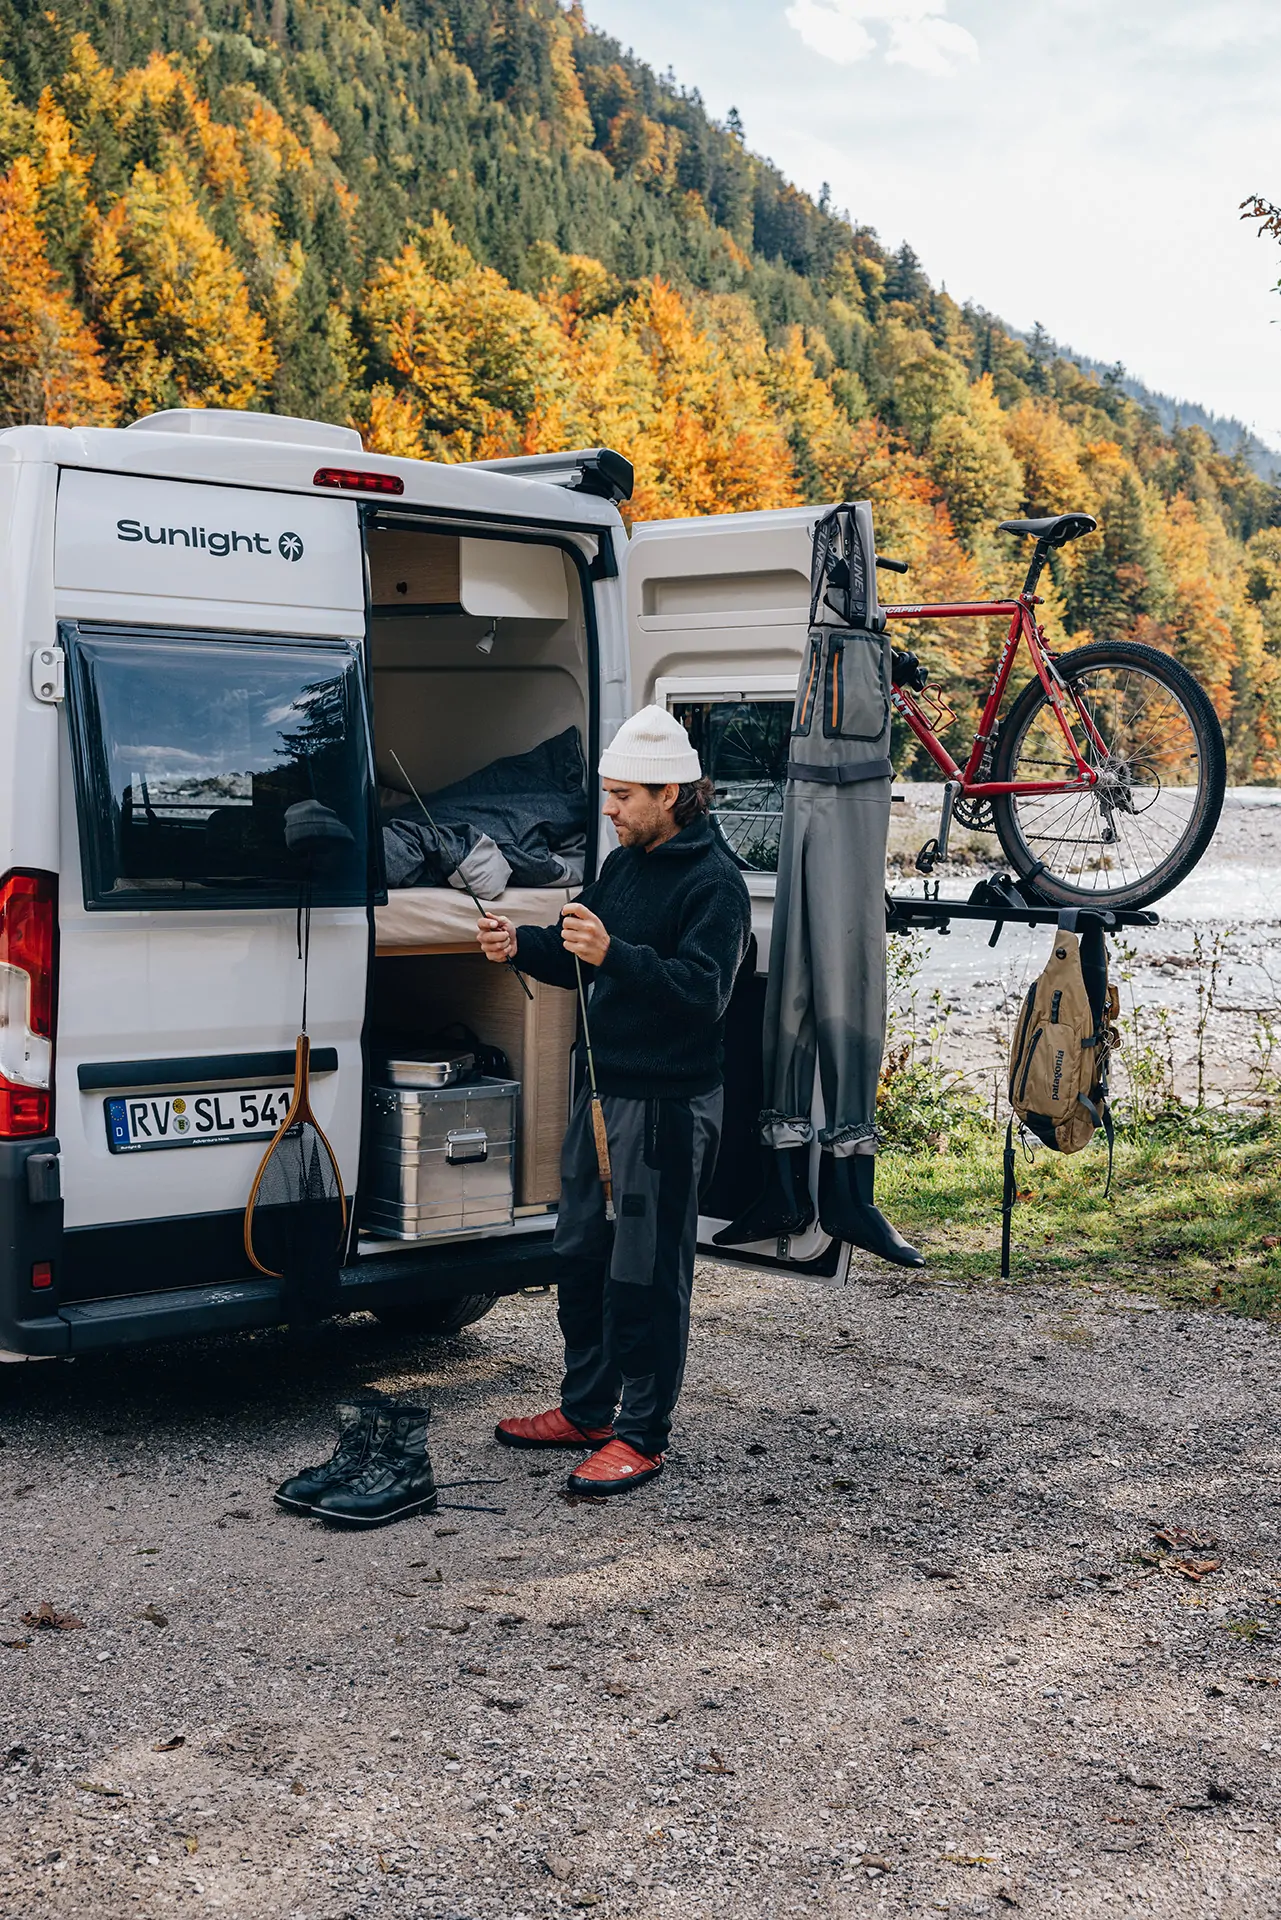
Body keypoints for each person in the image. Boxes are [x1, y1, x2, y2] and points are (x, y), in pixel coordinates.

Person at [476, 705, 751, 1496]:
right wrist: (520, 945)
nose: (609, 809)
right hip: (600, 1090)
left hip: (664, 1109)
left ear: (671, 794)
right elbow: (581, 955)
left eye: (624, 795)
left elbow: (702, 995)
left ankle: (641, 1435)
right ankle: (588, 1409)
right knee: (581, 1257)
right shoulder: (626, 863)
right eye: (610, 793)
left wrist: (615, 953)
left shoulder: (715, 885)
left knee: (647, 1273)